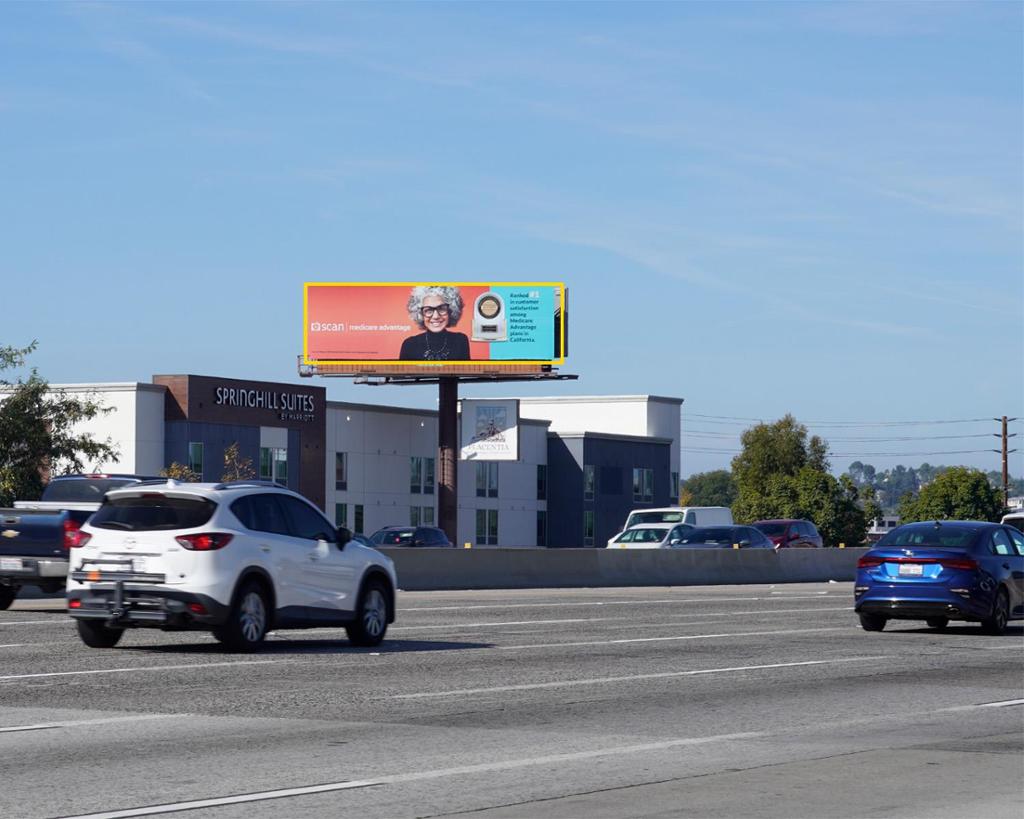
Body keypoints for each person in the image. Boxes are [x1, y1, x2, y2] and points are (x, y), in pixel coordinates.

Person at [399, 286, 471, 361]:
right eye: (428, 310)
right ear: (420, 314)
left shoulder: (460, 340)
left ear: (451, 311)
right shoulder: (409, 345)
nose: (436, 316)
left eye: (442, 309)